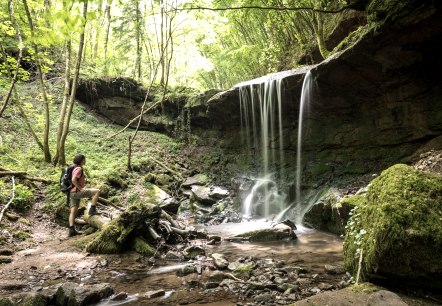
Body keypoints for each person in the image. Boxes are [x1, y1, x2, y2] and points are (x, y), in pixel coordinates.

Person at [68, 154, 100, 237]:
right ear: (81, 160)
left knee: (73, 211)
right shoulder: (78, 168)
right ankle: (92, 210)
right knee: (97, 191)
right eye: (84, 159)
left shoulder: (74, 168)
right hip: (77, 192)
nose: (85, 161)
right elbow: (73, 179)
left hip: (72, 193)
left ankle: (71, 230)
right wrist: (80, 188)